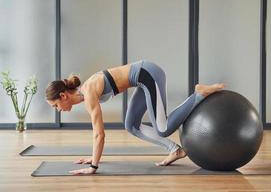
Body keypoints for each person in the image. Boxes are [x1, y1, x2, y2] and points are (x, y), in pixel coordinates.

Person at [45, 60, 225, 175]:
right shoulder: (86, 93)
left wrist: (93, 167)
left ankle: (198, 94)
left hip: (148, 74)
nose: (58, 110)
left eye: (55, 106)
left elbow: (99, 135)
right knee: (131, 125)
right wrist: (93, 158)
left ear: (63, 96)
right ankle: (175, 150)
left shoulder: (89, 92)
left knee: (163, 129)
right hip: (142, 79)